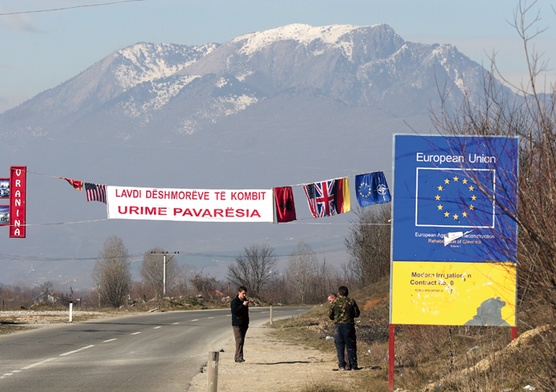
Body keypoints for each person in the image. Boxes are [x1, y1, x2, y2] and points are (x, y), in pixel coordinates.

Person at [328, 285, 360, 371]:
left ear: (338, 293)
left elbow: (330, 315)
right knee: (351, 346)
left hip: (338, 326)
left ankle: (341, 365)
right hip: (349, 326)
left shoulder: (335, 302)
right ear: (347, 293)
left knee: (339, 346)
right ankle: (353, 365)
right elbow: (357, 313)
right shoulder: (351, 302)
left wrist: (336, 317)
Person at [231, 285, 250, 363]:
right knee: (239, 340)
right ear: (239, 293)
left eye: (245, 293)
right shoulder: (235, 301)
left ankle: (238, 357)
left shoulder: (245, 300)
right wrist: (243, 305)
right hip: (237, 324)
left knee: (242, 341)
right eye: (243, 293)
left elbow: (245, 313)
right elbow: (235, 312)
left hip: (244, 324)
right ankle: (239, 357)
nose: (244, 295)